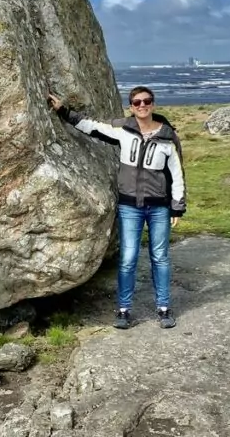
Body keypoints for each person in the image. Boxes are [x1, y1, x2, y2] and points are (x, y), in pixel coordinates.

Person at [47, 86, 186, 329]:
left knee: (160, 257)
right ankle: (123, 310)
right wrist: (63, 111)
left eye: (146, 101)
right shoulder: (124, 131)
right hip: (129, 206)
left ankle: (163, 308)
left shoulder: (167, 137)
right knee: (128, 258)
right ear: (131, 107)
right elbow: (92, 127)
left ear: (153, 104)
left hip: (159, 208)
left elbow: (177, 173)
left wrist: (177, 206)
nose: (142, 105)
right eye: (137, 102)